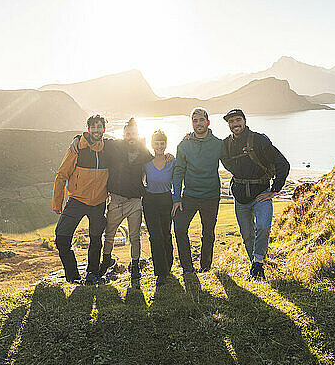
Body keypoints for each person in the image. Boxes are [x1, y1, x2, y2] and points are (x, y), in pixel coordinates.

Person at [70, 118, 173, 287]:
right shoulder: (114, 145)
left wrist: (168, 155)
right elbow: (95, 139)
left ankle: (135, 267)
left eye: (133, 133)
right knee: (109, 234)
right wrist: (76, 138)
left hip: (134, 202)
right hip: (116, 200)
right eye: (128, 133)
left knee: (134, 237)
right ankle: (106, 262)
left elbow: (156, 157)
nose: (131, 136)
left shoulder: (143, 150)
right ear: (124, 134)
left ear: (137, 134)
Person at [221, 108, 290, 280]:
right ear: (228, 125)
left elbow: (283, 163)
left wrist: (275, 190)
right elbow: (207, 145)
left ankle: (258, 263)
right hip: (240, 197)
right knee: (247, 235)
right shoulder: (225, 144)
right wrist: (189, 137)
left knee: (263, 227)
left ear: (244, 120)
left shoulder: (259, 140)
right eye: (231, 122)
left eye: (238, 120)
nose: (235, 124)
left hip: (261, 193)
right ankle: (256, 269)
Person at [52, 115, 109, 285]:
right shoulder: (77, 148)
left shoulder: (109, 149)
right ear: (88, 129)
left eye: (99, 127)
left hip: (99, 202)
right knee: (61, 238)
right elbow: (61, 174)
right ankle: (73, 276)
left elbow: (132, 145)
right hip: (76, 200)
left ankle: (92, 274)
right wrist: (57, 202)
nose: (96, 130)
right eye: (93, 127)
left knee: (96, 240)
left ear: (104, 129)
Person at [172, 108, 222, 274]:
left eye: (201, 120)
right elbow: (178, 171)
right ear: (191, 123)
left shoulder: (219, 144)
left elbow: (233, 162)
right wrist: (176, 198)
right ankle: (187, 268)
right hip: (189, 196)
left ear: (208, 122)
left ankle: (205, 267)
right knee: (179, 228)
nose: (198, 123)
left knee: (208, 232)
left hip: (211, 196)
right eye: (195, 120)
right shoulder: (184, 144)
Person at [143, 130, 175, 286]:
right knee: (155, 236)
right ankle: (160, 273)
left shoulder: (171, 161)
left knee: (166, 235)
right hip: (150, 201)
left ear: (166, 144)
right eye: (157, 143)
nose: (160, 146)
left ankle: (168, 266)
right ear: (152, 144)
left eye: (162, 143)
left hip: (166, 199)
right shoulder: (146, 161)